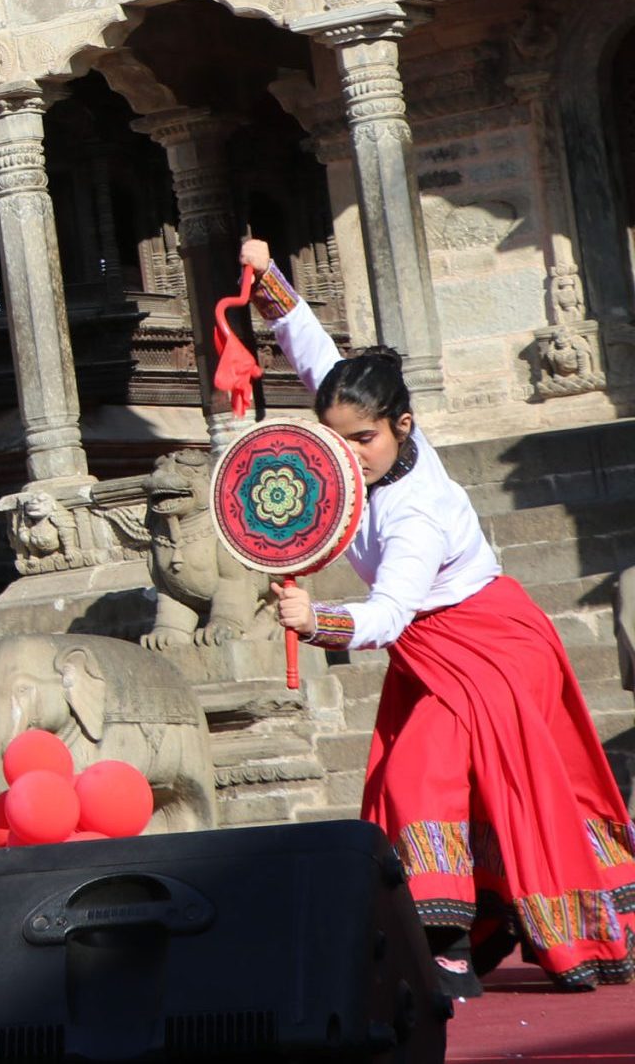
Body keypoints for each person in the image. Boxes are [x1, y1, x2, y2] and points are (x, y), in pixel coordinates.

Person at [245, 238, 635, 992]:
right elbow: (311, 349)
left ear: (404, 424)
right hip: (432, 649)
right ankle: (470, 929)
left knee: (417, 773)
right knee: (420, 772)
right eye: (336, 437)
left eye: (363, 438)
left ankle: (446, 942)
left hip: (488, 642)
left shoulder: (415, 512)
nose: (347, 452)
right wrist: (266, 277)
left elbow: (388, 614)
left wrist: (314, 618)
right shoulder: (347, 437)